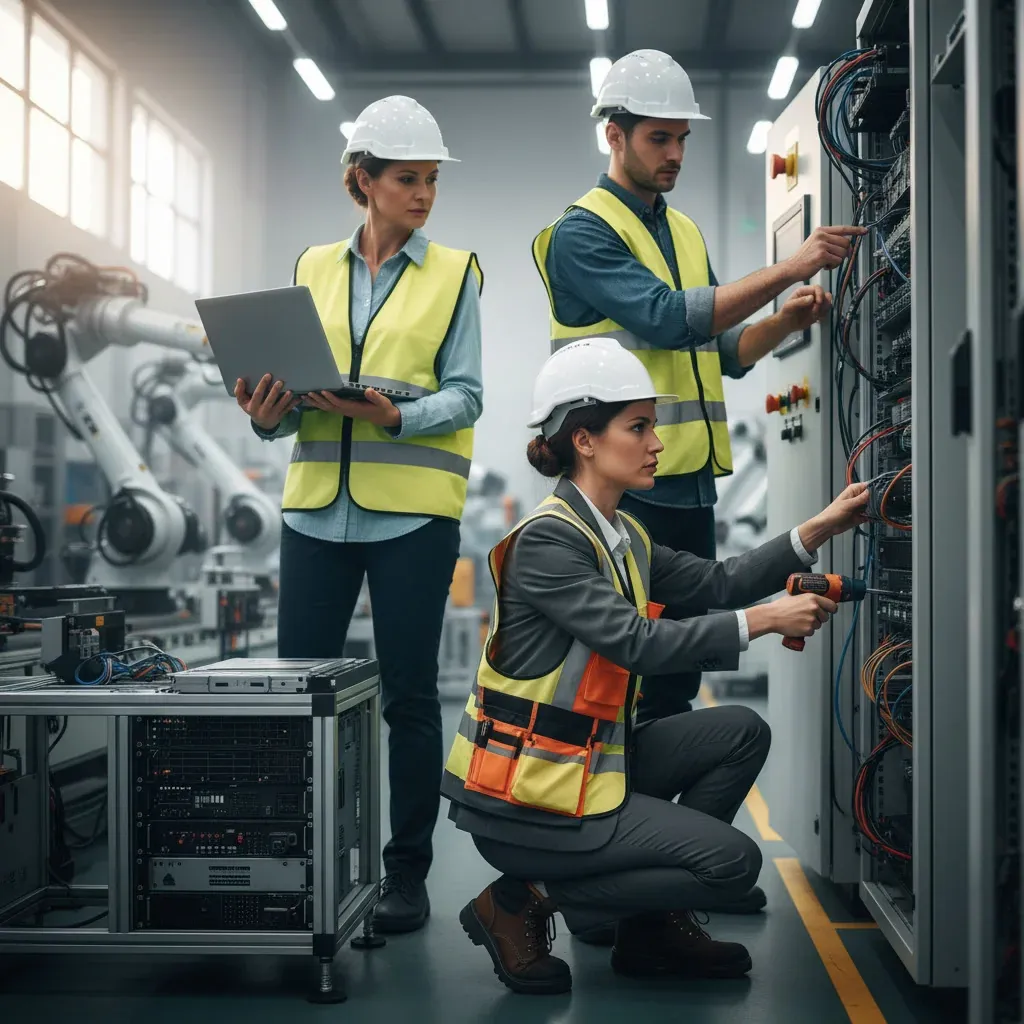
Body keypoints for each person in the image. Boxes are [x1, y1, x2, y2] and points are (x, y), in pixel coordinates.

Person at [441, 338, 868, 995]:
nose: (656, 443)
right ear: (583, 440)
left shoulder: (624, 535)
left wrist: (818, 528)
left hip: (585, 763)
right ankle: (524, 898)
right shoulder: (550, 541)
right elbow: (636, 642)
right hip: (528, 797)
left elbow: (722, 581)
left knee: (740, 733)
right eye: (638, 427)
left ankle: (648, 932)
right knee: (732, 864)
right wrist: (766, 620)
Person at [531, 49, 867, 745]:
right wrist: (790, 265)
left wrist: (782, 321)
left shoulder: (680, 230)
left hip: (686, 485)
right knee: (627, 675)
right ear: (614, 135)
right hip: (629, 490)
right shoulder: (582, 232)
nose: (676, 152)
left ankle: (657, 836)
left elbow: (717, 351)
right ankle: (616, 828)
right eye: (660, 137)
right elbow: (665, 315)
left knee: (675, 682)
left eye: (684, 137)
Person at [234, 95, 483, 934]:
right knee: (294, 692)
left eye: (431, 180)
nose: (423, 194)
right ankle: (294, 862)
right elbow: (288, 410)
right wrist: (264, 408)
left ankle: (405, 875)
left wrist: (393, 417)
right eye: (407, 179)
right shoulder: (311, 266)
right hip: (314, 513)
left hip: (413, 519)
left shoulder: (456, 273)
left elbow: (468, 395)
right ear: (363, 182)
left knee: (410, 697)